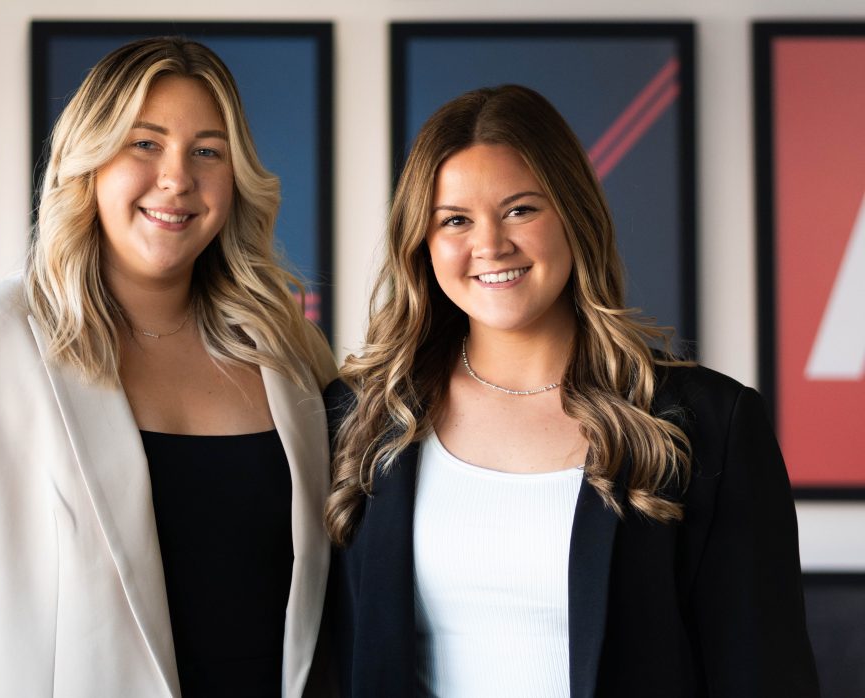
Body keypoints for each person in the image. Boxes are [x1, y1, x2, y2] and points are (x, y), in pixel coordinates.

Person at [0, 37, 337, 697]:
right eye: (145, 143)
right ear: (90, 161)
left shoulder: (290, 351)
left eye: (207, 151)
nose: (177, 178)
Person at [323, 85, 818, 697]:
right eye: (455, 220)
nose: (490, 245)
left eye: (520, 210)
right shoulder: (360, 418)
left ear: (574, 216)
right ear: (422, 243)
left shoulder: (708, 423)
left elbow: (763, 673)